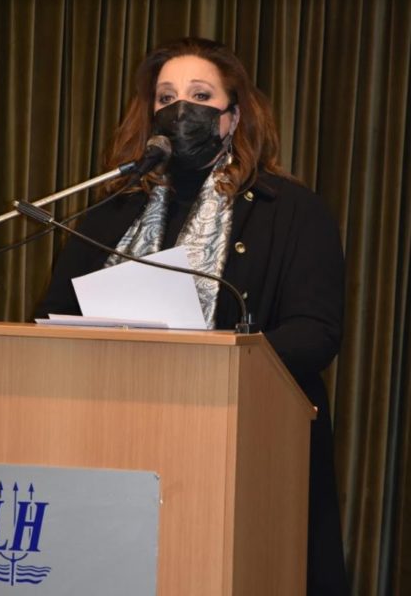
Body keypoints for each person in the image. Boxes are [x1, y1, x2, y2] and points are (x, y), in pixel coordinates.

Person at [36, 37, 349, 595]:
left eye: (201, 96)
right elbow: (52, 316)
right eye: (166, 98)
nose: (181, 109)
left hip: (242, 443)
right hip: (115, 439)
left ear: (233, 117)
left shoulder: (290, 210)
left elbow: (315, 333)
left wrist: (217, 363)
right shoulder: (114, 210)